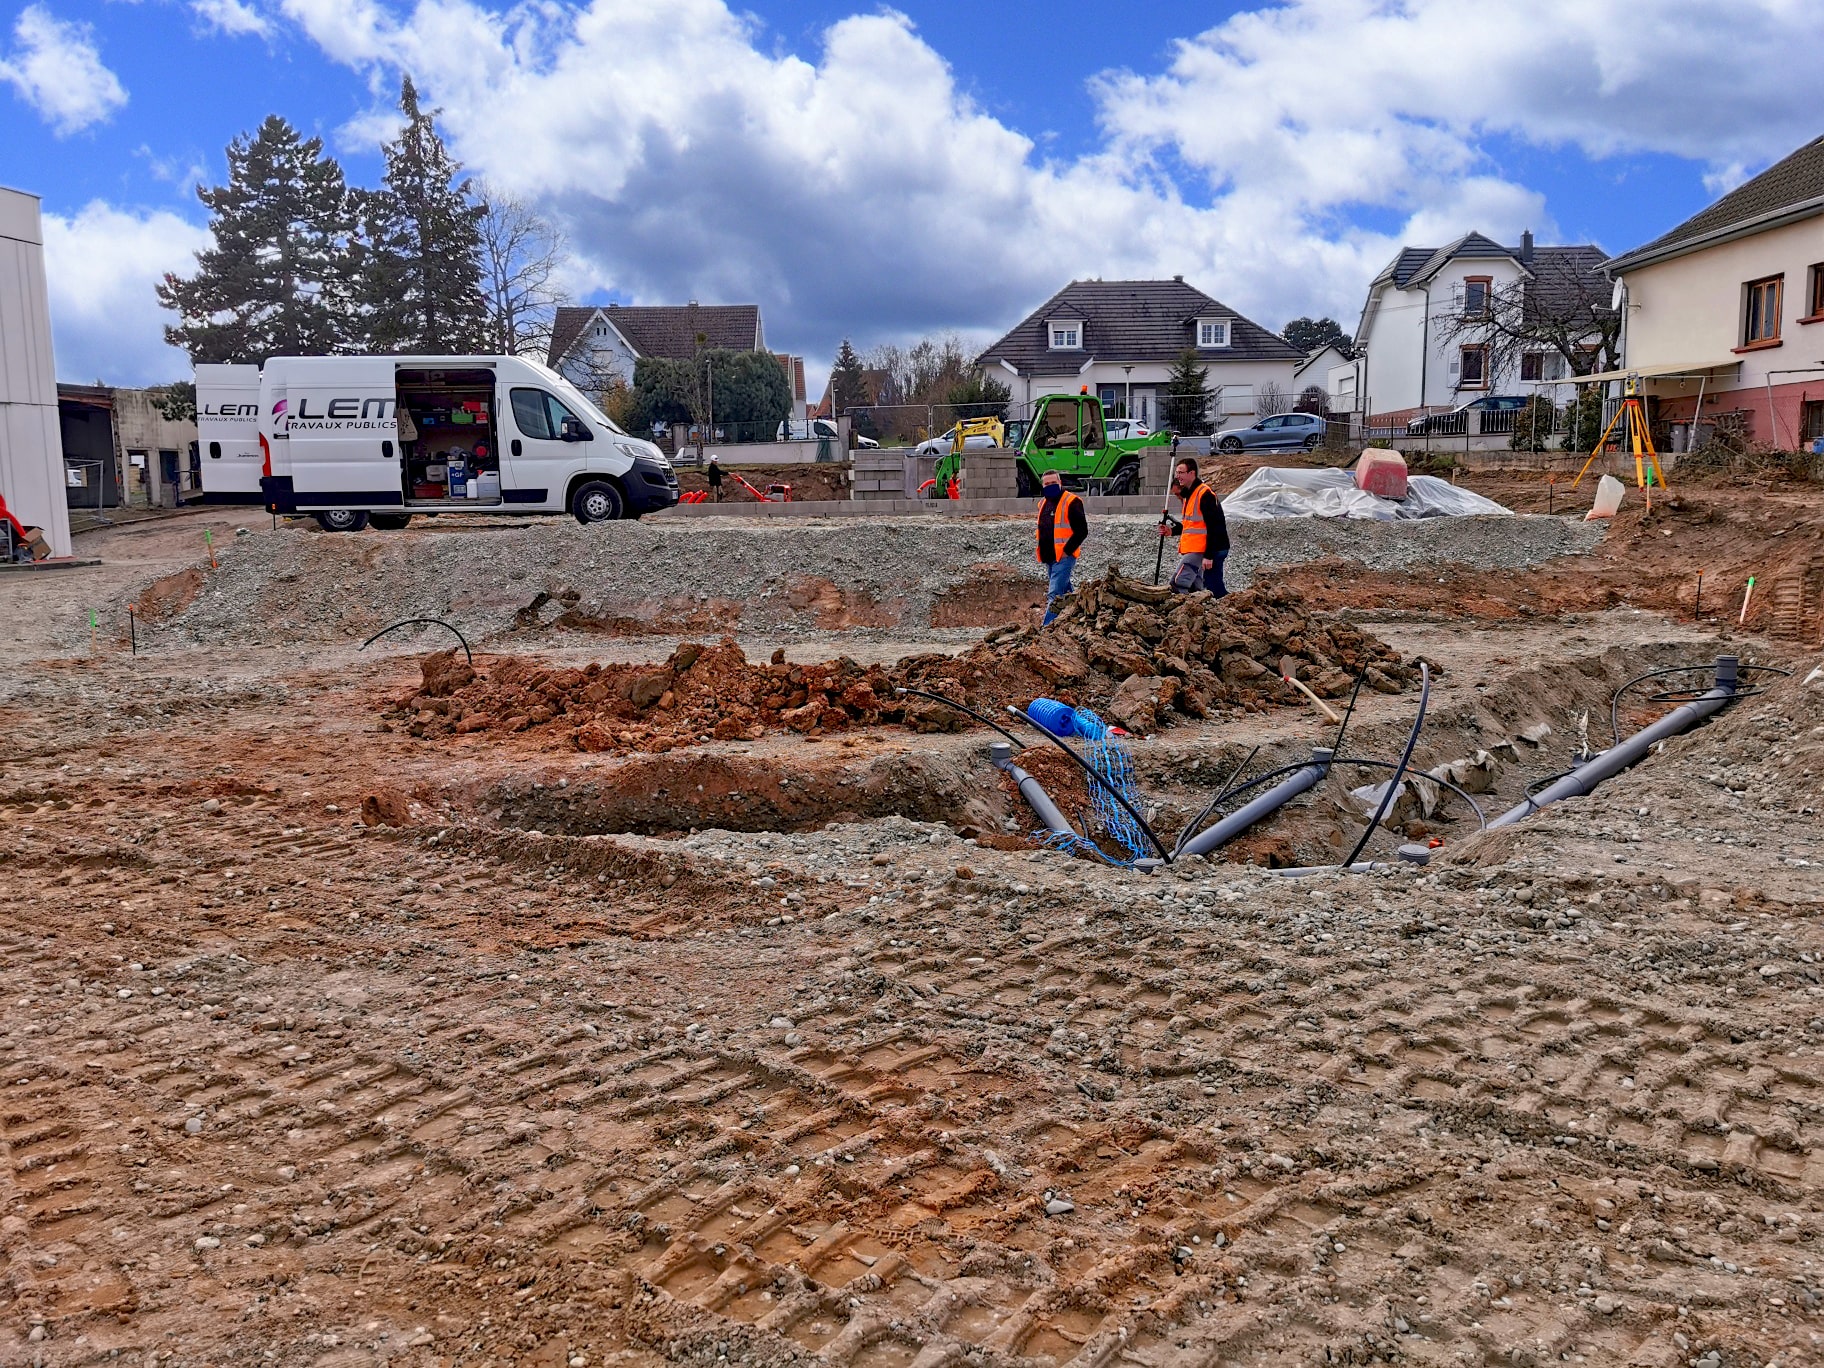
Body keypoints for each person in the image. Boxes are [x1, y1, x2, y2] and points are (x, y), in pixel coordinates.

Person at [1158, 458, 1229, 597]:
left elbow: (1215, 526)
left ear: (1192, 473)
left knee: (1206, 586)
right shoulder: (1189, 495)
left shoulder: (1204, 494)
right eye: (1176, 473)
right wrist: (1171, 531)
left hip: (1208, 549)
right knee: (1199, 587)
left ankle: (1229, 610)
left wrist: (1209, 555)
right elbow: (1191, 525)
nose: (1177, 476)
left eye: (1181, 472)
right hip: (1198, 549)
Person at [1036, 468, 1088, 625]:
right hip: (1049, 557)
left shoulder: (1072, 501)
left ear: (1060, 483)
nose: (1050, 486)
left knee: (1055, 594)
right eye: (1047, 484)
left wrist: (1067, 551)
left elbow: (1082, 531)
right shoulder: (1043, 503)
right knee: (1066, 593)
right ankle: (1080, 617)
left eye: (1053, 483)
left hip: (1063, 557)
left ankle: (1047, 628)